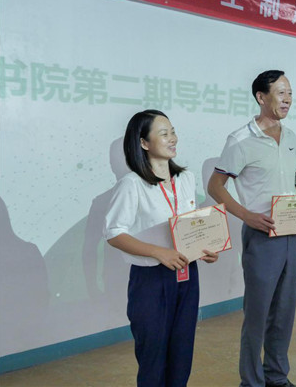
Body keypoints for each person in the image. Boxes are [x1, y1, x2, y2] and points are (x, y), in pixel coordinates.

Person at [207, 70, 296, 387]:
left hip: (291, 233)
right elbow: (215, 186)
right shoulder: (241, 139)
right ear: (261, 97)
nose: (288, 99)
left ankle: (276, 376)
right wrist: (247, 216)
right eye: (281, 92)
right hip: (262, 236)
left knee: (284, 310)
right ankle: (251, 381)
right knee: (258, 313)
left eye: (290, 93)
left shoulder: (291, 136)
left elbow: (292, 185)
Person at [104, 109, 219, 387]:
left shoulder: (186, 178)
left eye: (173, 132)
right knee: (153, 355)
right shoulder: (132, 184)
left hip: (187, 273)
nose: (173, 138)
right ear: (144, 143)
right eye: (164, 134)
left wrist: (205, 247)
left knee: (182, 351)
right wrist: (158, 252)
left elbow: (189, 224)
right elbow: (113, 233)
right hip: (151, 280)